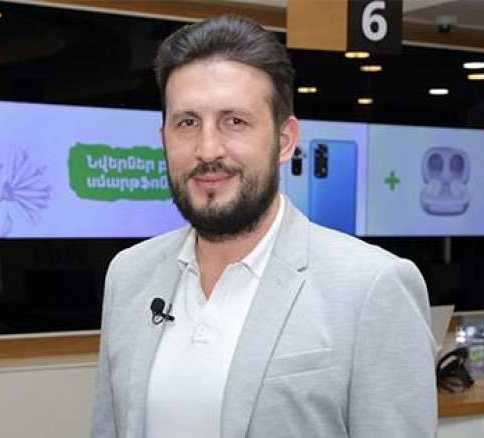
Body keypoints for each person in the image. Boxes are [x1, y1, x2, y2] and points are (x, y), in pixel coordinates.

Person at [92, 15, 437, 438]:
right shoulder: (129, 275)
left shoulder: (371, 287)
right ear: (164, 137)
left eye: (234, 121)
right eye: (188, 122)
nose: (207, 149)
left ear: (284, 140)